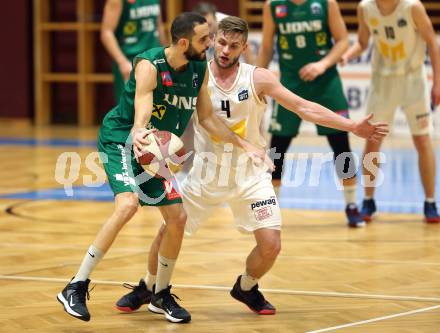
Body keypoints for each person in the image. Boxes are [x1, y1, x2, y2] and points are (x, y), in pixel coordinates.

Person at [114, 16, 388, 316]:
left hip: (250, 173)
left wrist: (351, 125)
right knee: (168, 231)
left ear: (244, 47)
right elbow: (154, 101)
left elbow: (303, 107)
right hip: (207, 173)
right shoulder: (194, 74)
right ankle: (149, 284)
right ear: (213, 40)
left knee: (271, 245)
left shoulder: (258, 78)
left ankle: (246, 286)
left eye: (233, 46)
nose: (225, 50)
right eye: (220, 42)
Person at [57, 12, 271, 324]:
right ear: (184, 42)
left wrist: (245, 144)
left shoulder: (199, 69)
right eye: (204, 39)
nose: (211, 44)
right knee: (128, 205)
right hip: (123, 140)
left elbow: (208, 118)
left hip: (153, 152)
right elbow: (143, 102)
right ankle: (76, 285)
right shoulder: (149, 64)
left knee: (177, 217)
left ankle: (160, 293)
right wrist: (141, 129)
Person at [257, 0, 365, 227]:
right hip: (289, 83)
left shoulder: (326, 4)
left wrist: (322, 64)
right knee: (278, 146)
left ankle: (352, 204)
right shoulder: (273, 5)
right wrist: (256, 80)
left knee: (340, 144)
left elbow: (344, 40)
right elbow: (266, 47)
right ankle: (272, 207)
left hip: (325, 82)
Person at [341, 0, 440, 223]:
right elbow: (363, 42)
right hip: (382, 82)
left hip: (413, 81)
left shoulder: (412, 7)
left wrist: (437, 83)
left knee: (423, 141)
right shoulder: (365, 8)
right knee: (373, 140)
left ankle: (431, 202)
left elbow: (432, 43)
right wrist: (347, 55)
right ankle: (368, 200)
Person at [101, 0, 167, 103]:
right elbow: (106, 32)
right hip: (131, 61)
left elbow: (159, 26)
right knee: (130, 109)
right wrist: (122, 62)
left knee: (162, 105)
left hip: (156, 59)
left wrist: (166, 53)